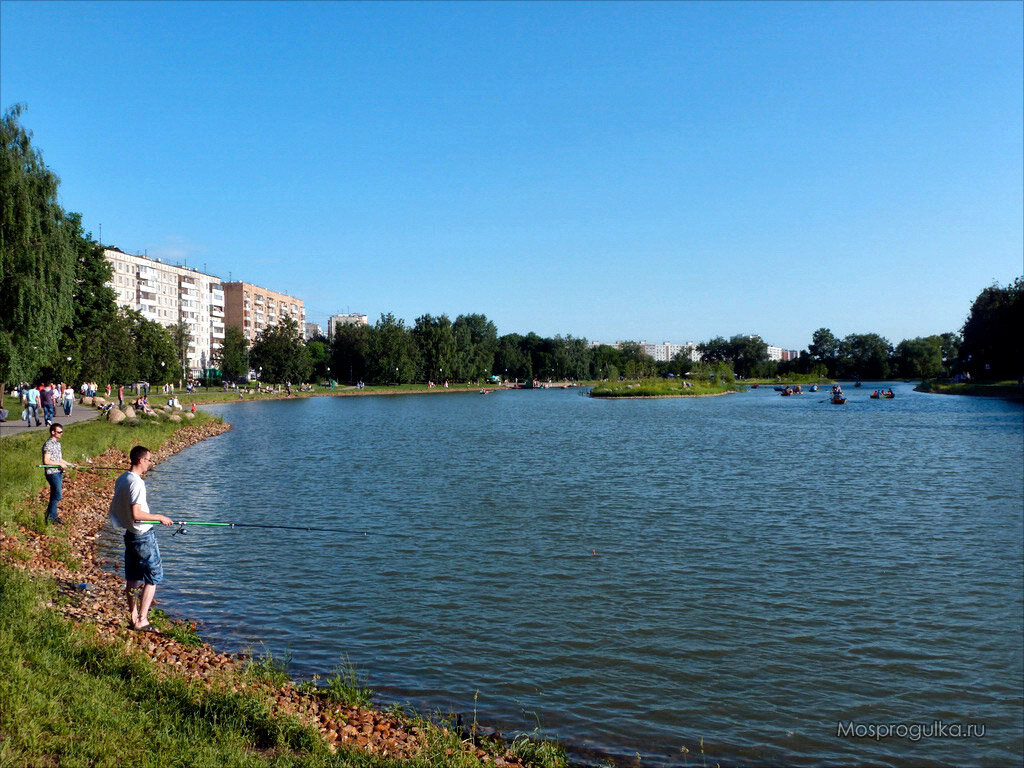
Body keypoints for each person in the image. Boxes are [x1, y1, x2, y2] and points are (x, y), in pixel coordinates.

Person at [109, 446, 173, 631]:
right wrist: (159, 517)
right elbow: (137, 514)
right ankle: (142, 620)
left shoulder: (122, 478)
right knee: (153, 577)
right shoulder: (137, 483)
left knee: (132, 578)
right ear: (141, 460)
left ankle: (133, 617)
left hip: (130, 535)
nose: (150, 463)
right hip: (143, 536)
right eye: (149, 459)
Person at [42, 423, 72, 524]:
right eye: (59, 432)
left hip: (59, 472)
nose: (61, 433)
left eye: (62, 432)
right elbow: (46, 461)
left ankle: (52, 516)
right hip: (52, 473)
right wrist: (59, 464)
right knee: (58, 495)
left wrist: (70, 464)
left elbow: (60, 459)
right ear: (53, 432)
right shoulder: (48, 444)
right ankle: (50, 517)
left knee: (54, 494)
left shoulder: (58, 444)